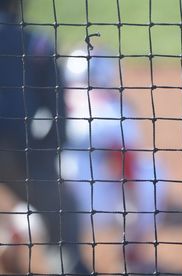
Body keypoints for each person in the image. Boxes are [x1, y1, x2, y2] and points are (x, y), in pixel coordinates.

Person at [61, 48, 167, 272]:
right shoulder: (114, 110)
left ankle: (17, 233)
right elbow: (124, 162)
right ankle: (131, 249)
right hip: (95, 208)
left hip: (56, 206)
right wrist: (133, 210)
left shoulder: (55, 103)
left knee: (43, 187)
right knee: (154, 176)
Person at [0, 1, 86, 273]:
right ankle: (68, 268)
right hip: (15, 147)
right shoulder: (34, 42)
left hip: (14, 146)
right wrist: (43, 155)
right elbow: (58, 112)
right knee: (63, 211)